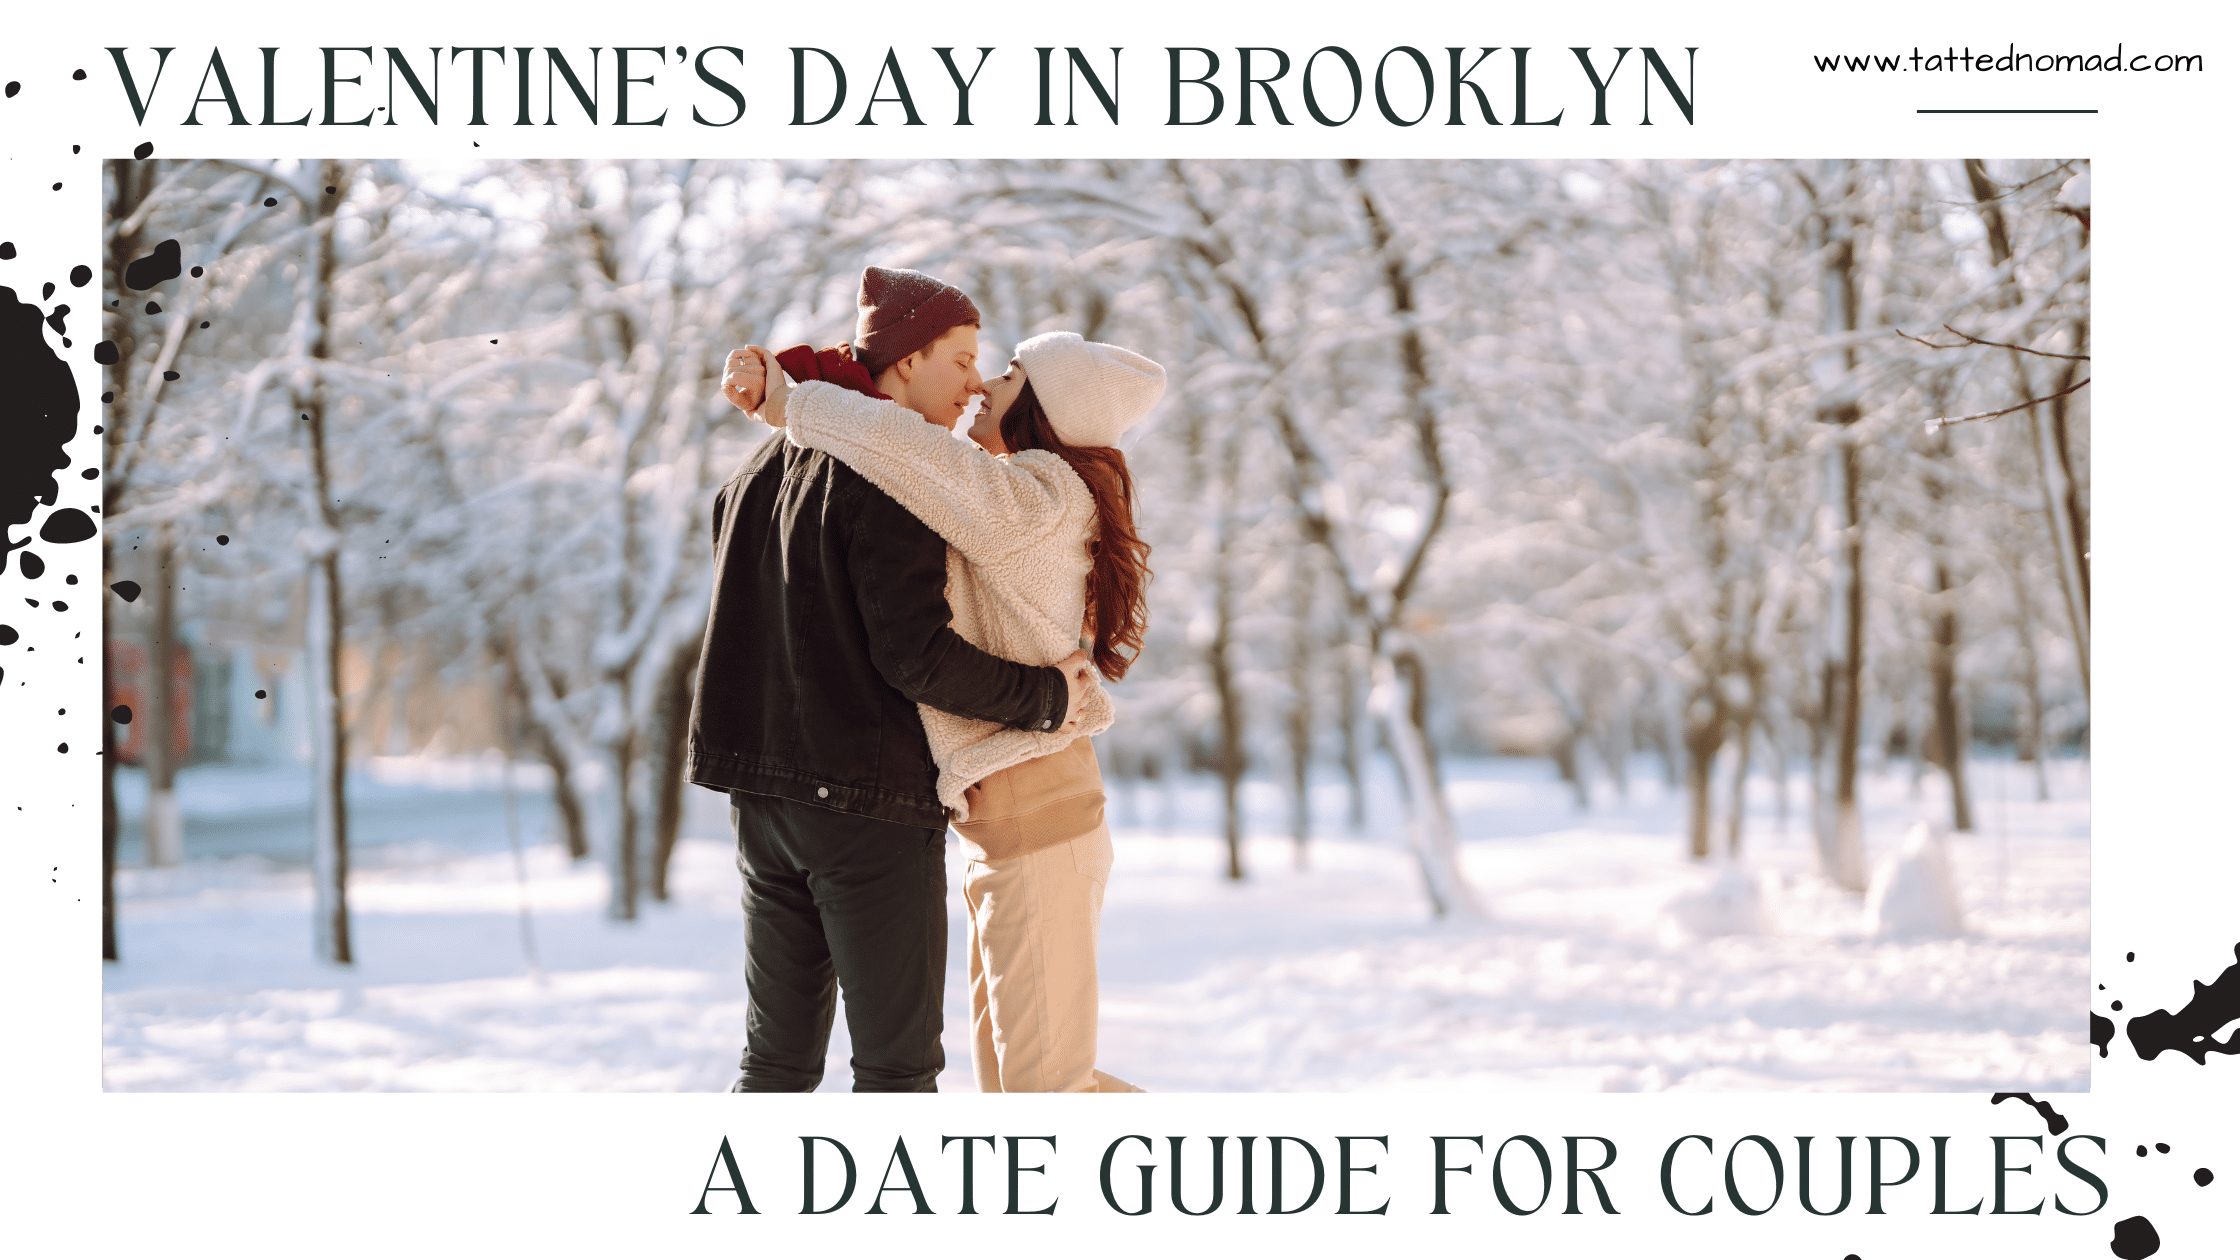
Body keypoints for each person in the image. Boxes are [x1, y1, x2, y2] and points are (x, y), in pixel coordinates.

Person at [689, 267, 1096, 1093]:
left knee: (772, 1064)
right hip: (867, 806)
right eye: (959, 358)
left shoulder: (753, 475)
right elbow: (915, 656)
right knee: (896, 1072)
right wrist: (1051, 697)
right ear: (904, 361)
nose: (974, 383)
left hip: (762, 806)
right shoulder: (901, 478)